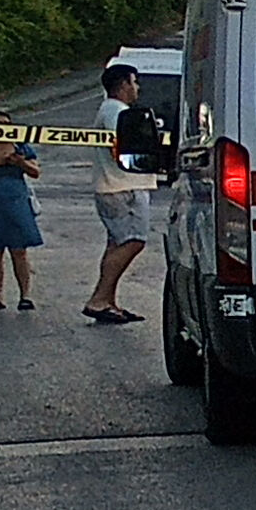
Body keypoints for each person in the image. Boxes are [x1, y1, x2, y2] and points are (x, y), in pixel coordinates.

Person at [86, 64, 155, 325]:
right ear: (123, 84)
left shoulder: (110, 110)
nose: (137, 88)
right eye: (134, 82)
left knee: (116, 243)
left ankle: (108, 302)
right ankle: (99, 298)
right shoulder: (116, 111)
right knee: (134, 240)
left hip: (114, 186)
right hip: (123, 187)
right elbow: (122, 144)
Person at [0, 110, 42, 311]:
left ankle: (25, 295)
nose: (5, 128)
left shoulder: (20, 146)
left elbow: (36, 171)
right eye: (0, 124)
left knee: (19, 250)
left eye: (7, 124)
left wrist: (20, 162)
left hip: (16, 202)